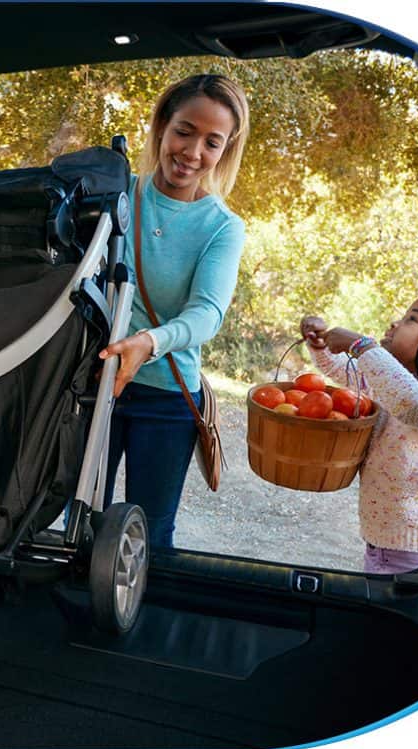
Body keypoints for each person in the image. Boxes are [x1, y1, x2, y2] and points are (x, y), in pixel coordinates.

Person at [95, 73, 250, 550]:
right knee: (81, 519)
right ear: (162, 125)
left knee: (150, 535)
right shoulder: (113, 196)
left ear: (225, 150)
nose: (193, 152)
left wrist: (148, 342)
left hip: (166, 396)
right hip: (95, 384)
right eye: (184, 131)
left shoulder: (222, 227)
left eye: (212, 142)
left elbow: (207, 313)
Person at [300, 293, 418, 574]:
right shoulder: (390, 379)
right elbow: (339, 368)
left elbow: (416, 407)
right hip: (381, 540)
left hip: (415, 548)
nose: (395, 323)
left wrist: (361, 346)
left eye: (411, 319)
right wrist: (319, 346)